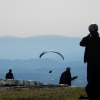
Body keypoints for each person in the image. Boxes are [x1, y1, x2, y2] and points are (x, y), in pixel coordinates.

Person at [80, 23, 100, 100]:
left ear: (90, 31)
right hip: (98, 62)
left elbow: (81, 43)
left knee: (90, 78)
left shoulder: (89, 40)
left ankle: (92, 93)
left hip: (91, 62)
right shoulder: (99, 39)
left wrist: (88, 35)